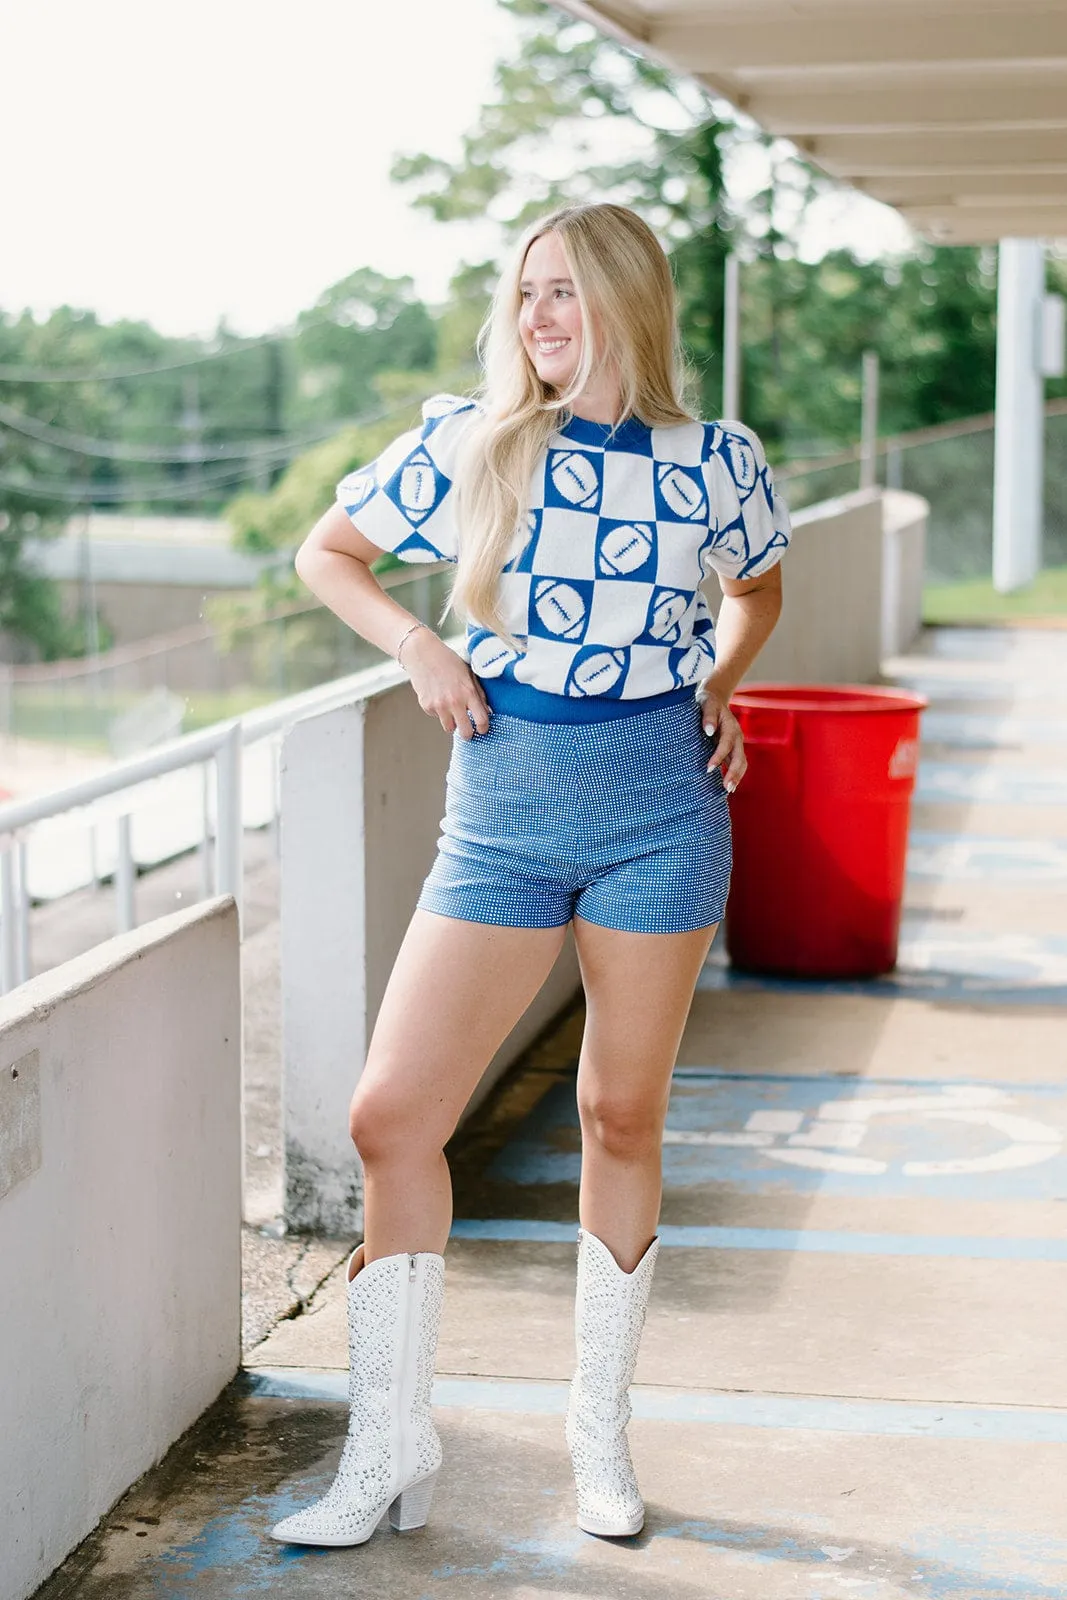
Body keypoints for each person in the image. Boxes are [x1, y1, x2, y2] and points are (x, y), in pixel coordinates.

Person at [270, 202, 790, 1550]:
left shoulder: (712, 460)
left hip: (657, 810)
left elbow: (759, 587)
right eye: (526, 297)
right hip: (498, 811)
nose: (539, 320)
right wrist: (417, 650)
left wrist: (721, 683)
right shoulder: (474, 439)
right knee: (391, 1115)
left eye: (563, 293)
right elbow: (327, 554)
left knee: (619, 1116)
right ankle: (386, 1447)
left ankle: (595, 1443)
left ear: (627, 298)